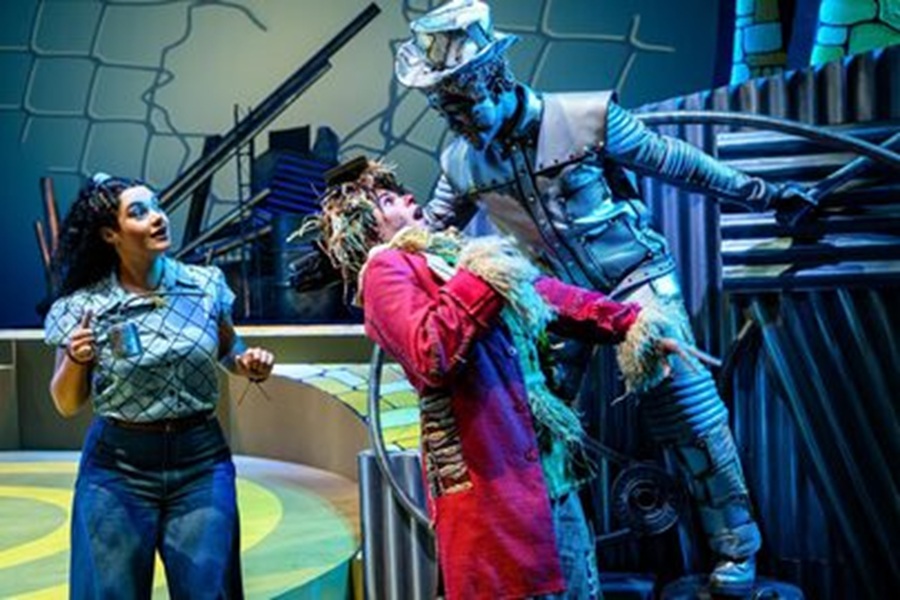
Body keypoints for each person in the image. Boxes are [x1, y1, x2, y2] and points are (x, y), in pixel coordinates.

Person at [392, 0, 818, 592]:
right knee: (532, 421)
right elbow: (433, 231)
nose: (457, 119)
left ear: (494, 78)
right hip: (555, 301)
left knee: (685, 404)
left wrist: (765, 194)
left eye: (462, 101)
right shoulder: (461, 161)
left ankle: (736, 545)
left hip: (635, 281)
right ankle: (554, 554)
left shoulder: (584, 117)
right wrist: (383, 257)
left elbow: (678, 163)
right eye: (445, 107)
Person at [308, 157, 706, 600]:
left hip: (545, 470)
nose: (405, 197)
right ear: (368, 229)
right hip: (494, 479)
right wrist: (484, 274)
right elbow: (432, 352)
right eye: (387, 201)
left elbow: (544, 295)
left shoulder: (447, 258)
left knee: (577, 587)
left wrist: (630, 322)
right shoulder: (387, 269)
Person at [43, 172, 274, 599]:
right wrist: (77, 357)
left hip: (201, 464)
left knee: (210, 591)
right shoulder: (84, 305)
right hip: (117, 471)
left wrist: (247, 363)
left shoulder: (204, 286)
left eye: (157, 206)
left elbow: (230, 350)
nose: (157, 218)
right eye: (139, 212)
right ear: (110, 234)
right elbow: (66, 403)